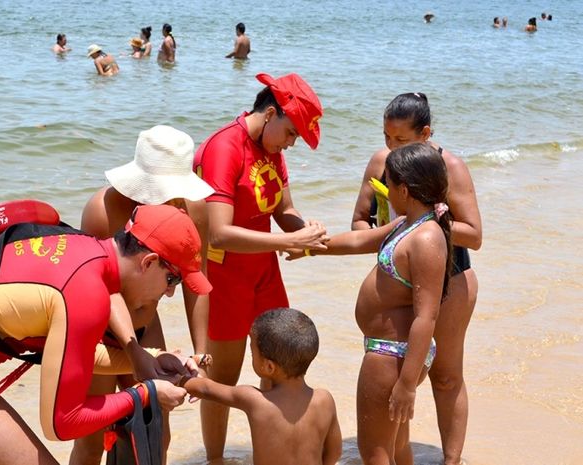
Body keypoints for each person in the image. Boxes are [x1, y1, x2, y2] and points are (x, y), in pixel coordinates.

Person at [0, 204, 209, 465]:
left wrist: (150, 360)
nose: (169, 293)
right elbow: (62, 422)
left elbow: (74, 358)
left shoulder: (85, 250)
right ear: (149, 262)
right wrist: (146, 393)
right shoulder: (87, 293)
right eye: (174, 280)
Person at [193, 72, 329, 462]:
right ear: (271, 113)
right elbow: (218, 234)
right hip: (224, 274)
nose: (291, 144)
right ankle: (215, 459)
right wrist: (289, 241)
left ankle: (275, 453)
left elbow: (284, 211)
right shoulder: (225, 147)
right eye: (291, 134)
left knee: (279, 369)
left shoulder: (273, 150)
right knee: (224, 378)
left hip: (264, 270)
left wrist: (307, 232)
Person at [291, 143, 452, 465]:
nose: (385, 191)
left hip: (392, 354)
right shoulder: (408, 223)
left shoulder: (426, 238)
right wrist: (309, 247)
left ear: (404, 189)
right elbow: (357, 240)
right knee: (395, 446)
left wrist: (407, 384)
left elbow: (426, 316)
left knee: (374, 452)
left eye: (388, 184)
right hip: (394, 353)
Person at [351, 93, 482, 465]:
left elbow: (474, 233)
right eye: (386, 138)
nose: (391, 148)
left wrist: (422, 224)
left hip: (450, 277)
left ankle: (451, 460)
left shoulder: (449, 166)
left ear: (425, 134)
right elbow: (359, 221)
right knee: (394, 371)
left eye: (401, 141)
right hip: (401, 275)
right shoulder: (381, 163)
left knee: (445, 376)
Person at [73, 125, 214, 465]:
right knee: (92, 441)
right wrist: (133, 353)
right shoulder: (103, 211)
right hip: (94, 331)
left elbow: (198, 282)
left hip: (145, 324)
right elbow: (99, 289)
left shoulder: (193, 212)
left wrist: (201, 353)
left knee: (154, 433)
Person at [179, 308, 342, 465]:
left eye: (253, 353)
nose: (252, 356)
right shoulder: (324, 400)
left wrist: (175, 376)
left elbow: (206, 389)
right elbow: (335, 452)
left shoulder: (255, 400)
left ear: (269, 367)